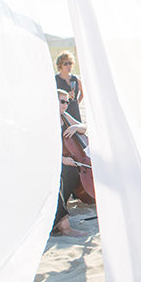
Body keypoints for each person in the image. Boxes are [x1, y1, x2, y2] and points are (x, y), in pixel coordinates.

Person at [51, 89, 87, 237]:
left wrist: (75, 127)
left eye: (67, 102)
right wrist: (62, 159)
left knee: (72, 173)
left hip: (64, 160)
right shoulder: (47, 119)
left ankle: (56, 218)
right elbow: (40, 148)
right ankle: (64, 225)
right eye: (62, 101)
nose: (65, 105)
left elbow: (84, 127)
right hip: (52, 161)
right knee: (59, 177)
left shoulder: (65, 116)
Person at [54, 51, 84, 122]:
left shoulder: (75, 79)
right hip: (62, 112)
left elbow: (83, 93)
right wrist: (67, 96)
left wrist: (76, 103)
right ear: (60, 65)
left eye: (70, 63)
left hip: (75, 111)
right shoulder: (55, 79)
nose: (68, 66)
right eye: (65, 64)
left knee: (78, 128)